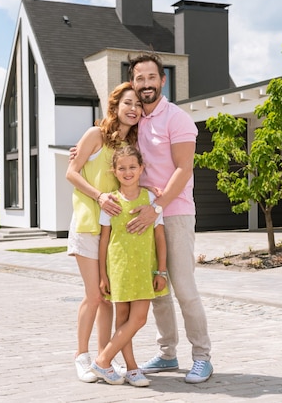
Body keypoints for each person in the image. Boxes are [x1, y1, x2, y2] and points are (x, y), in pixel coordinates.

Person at [127, 52, 213, 384]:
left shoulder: (177, 119)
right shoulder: (135, 120)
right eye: (139, 78)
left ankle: (203, 357)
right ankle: (167, 353)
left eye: (151, 78)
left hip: (173, 213)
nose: (146, 84)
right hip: (144, 215)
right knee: (157, 288)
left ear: (163, 81)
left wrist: (157, 207)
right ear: (133, 82)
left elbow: (183, 169)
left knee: (184, 288)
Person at [66, 82, 142, 383]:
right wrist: (99, 196)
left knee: (108, 296)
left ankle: (102, 359)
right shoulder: (94, 134)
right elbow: (71, 172)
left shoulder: (129, 146)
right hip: (87, 225)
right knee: (94, 296)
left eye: (138, 104)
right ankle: (81, 356)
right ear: (115, 106)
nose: (133, 108)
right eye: (128, 103)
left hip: (114, 232)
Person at [90, 145, 168, 386]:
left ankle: (103, 360)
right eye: (121, 168)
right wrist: (103, 275)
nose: (127, 172)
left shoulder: (152, 200)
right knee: (123, 319)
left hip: (145, 269)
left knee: (139, 318)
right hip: (119, 268)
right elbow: (104, 240)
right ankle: (132, 369)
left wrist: (161, 270)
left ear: (141, 168)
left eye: (132, 167)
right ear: (114, 171)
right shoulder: (111, 201)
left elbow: (160, 238)